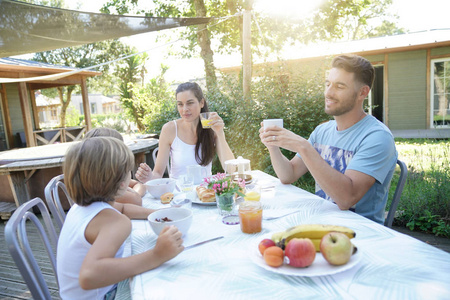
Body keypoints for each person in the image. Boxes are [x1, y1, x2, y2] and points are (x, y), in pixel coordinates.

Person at [259, 54, 397, 224]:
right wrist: (272, 144)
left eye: (339, 86)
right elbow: (289, 174)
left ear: (363, 92)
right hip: (322, 223)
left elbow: (347, 199)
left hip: (359, 233)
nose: (328, 93)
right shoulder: (322, 131)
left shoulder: (377, 137)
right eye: (327, 84)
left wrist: (304, 147)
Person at [57, 137, 184, 299]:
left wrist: (156, 213)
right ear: (123, 183)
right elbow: (89, 276)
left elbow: (123, 208)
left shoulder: (82, 208)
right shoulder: (115, 223)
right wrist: (157, 255)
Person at [136, 82, 235, 182]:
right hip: (178, 194)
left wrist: (220, 133)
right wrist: (148, 177)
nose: (184, 109)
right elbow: (157, 173)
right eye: (180, 104)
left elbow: (231, 169)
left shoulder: (211, 128)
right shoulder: (169, 129)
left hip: (205, 192)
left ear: (201, 103)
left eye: (190, 103)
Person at [84, 127, 146, 206]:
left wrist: (131, 191)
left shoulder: (107, 178)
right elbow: (136, 200)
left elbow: (138, 184)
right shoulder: (101, 189)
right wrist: (132, 193)